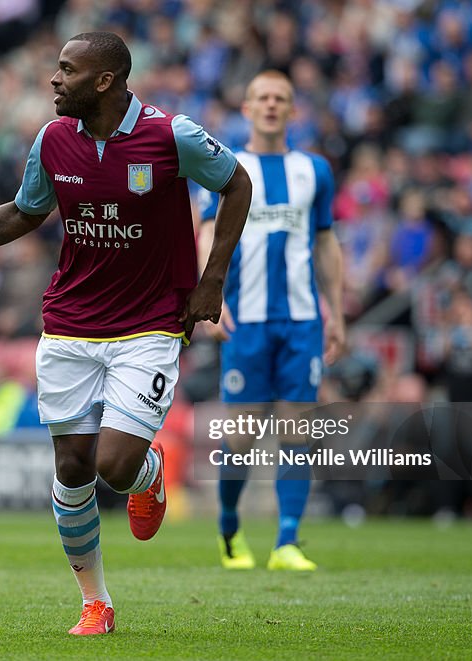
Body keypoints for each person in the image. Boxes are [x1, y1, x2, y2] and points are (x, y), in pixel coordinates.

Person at [0, 31, 251, 635]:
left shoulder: (170, 135)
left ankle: (146, 475)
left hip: (150, 322)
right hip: (70, 322)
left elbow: (237, 185)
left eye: (66, 71)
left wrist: (212, 281)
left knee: (116, 465)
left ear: (105, 81)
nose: (54, 80)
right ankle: (95, 602)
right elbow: (22, 212)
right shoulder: (52, 140)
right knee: (73, 468)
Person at [198, 70, 346, 572]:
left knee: (297, 428)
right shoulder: (227, 165)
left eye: (280, 98)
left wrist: (337, 312)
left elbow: (325, 242)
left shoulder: (315, 171)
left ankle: (288, 540)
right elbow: (205, 233)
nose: (270, 105)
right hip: (248, 320)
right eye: (261, 97)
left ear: (291, 109)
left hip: (301, 320)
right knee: (241, 434)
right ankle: (229, 527)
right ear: (246, 107)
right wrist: (210, 295)